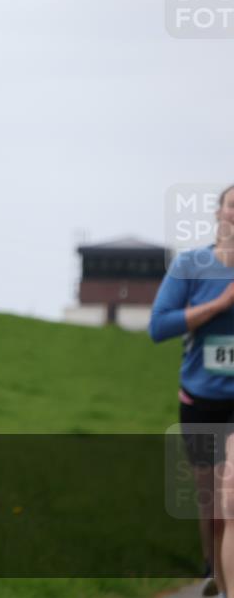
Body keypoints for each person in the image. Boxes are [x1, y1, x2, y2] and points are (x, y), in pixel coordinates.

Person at [150, 183, 234, 597]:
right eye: (233, 207)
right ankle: (211, 571)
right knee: (213, 505)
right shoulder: (191, 266)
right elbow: (158, 327)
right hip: (199, 400)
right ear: (219, 213)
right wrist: (218, 306)